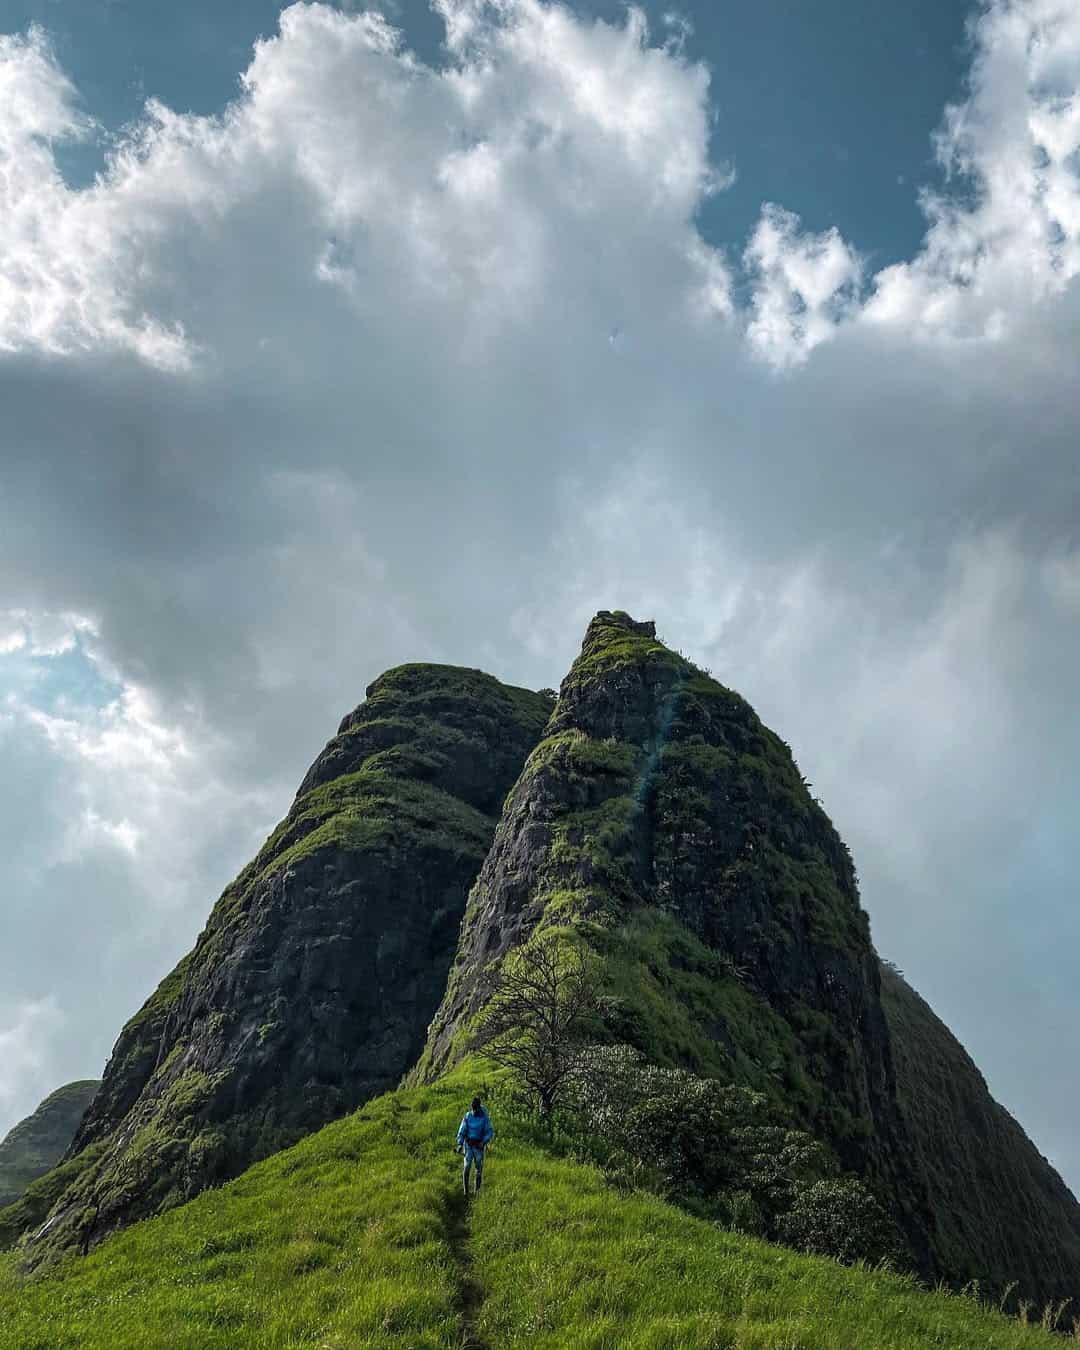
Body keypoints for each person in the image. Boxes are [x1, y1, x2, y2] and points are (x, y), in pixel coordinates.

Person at [456, 1096, 494, 1197]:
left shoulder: (484, 1118)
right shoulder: (468, 1116)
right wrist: (460, 1144)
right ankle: (466, 1191)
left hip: (479, 1146)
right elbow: (462, 1131)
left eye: (476, 1109)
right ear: (472, 1108)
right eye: (473, 1109)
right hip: (468, 1145)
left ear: (479, 1108)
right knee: (467, 1166)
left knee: (478, 1168)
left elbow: (489, 1132)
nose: (475, 1111)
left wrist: (484, 1142)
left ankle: (477, 1191)